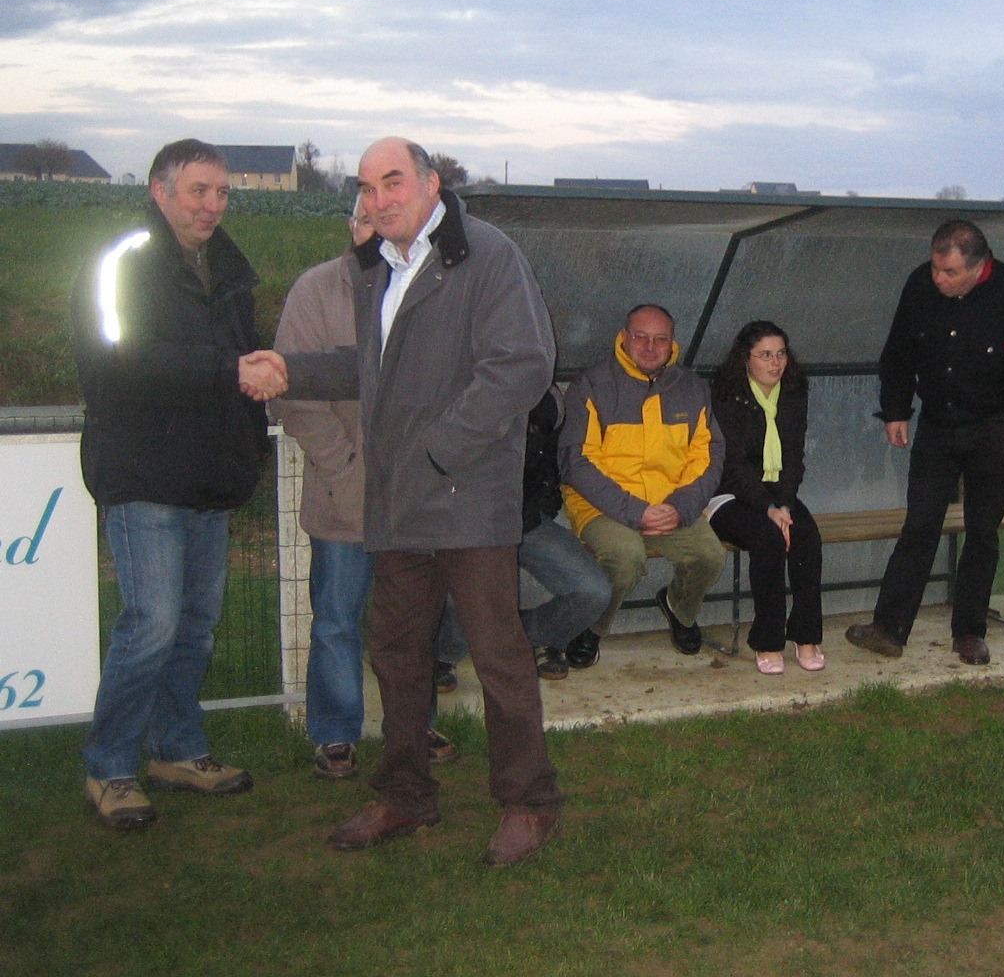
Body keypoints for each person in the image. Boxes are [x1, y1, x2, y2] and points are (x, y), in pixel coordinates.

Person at [251, 137, 563, 865]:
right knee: (395, 651)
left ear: (431, 183)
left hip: (466, 496)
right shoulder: (376, 270)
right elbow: (365, 367)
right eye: (367, 187)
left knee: (498, 654)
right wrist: (288, 368)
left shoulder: (486, 255)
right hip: (396, 503)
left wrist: (435, 450)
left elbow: (522, 364)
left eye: (393, 182)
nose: (378, 199)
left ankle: (529, 802)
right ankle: (404, 796)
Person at [72, 139, 263, 829]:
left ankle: (177, 750)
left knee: (196, 630)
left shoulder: (233, 270)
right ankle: (110, 766)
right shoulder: (122, 262)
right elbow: (114, 365)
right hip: (144, 471)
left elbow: (242, 363)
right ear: (161, 191)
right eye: (198, 191)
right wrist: (230, 369)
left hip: (209, 477)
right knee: (150, 624)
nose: (213, 205)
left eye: (221, 193)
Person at [274, 206, 457, 778]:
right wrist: (345, 464)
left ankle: (413, 724)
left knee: (413, 618)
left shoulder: (432, 287)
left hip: (413, 494)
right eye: (364, 222)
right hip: (343, 496)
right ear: (350, 229)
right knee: (336, 618)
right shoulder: (316, 290)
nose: (375, 233)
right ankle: (335, 733)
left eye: (388, 220)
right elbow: (292, 390)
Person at [845, 219, 1004, 665]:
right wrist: (897, 410)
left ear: (981, 266)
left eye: (950, 273)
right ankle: (889, 629)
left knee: (982, 531)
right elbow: (897, 352)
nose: (939, 279)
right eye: (937, 269)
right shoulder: (920, 285)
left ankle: (969, 633)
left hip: (993, 427)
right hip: (936, 426)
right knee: (919, 526)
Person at [559, 304, 727, 665]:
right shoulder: (591, 385)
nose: (650, 347)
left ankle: (679, 608)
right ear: (624, 337)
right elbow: (577, 462)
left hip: (669, 503)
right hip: (602, 503)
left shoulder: (692, 388)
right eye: (641, 337)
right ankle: (591, 626)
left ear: (672, 343)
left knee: (710, 555)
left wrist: (681, 506)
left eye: (660, 339)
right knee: (625, 557)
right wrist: (636, 511)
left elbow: (708, 455)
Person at [707, 321, 824, 674]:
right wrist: (768, 508)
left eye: (781, 353)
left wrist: (785, 503)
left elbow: (794, 455)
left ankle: (806, 635)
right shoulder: (727, 394)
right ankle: (768, 640)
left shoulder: (793, 391)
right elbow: (732, 464)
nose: (776, 363)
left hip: (776, 491)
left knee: (806, 536)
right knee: (767, 538)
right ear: (746, 359)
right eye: (766, 355)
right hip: (727, 494)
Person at [514, 389, 612, 678]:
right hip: (473, 527)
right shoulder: (463, 386)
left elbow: (557, 464)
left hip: (527, 521)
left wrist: (541, 505)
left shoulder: (549, 399)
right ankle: (445, 656)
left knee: (592, 591)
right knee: (459, 588)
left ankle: (534, 635)